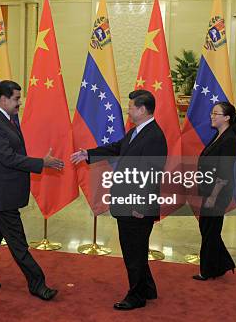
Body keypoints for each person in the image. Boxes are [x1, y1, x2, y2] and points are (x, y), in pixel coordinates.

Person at [0, 80, 64, 301]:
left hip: (4, 192)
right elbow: (8, 158)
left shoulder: (6, 118)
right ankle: (37, 284)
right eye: (17, 98)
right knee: (18, 243)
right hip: (1, 195)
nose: (20, 102)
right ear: (3, 99)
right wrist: (42, 163)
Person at [71, 90, 167, 311]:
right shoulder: (138, 132)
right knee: (137, 249)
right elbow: (117, 148)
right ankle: (148, 288)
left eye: (131, 107)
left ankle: (136, 296)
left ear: (142, 110)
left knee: (133, 252)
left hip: (136, 207)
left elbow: (151, 175)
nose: (128, 110)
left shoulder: (154, 136)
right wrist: (89, 154)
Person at [193, 101, 236, 281]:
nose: (212, 116)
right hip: (209, 189)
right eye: (212, 113)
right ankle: (222, 263)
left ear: (227, 118)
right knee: (208, 228)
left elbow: (225, 172)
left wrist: (213, 196)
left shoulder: (229, 140)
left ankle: (208, 270)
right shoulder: (220, 135)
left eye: (216, 113)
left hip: (218, 192)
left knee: (210, 229)